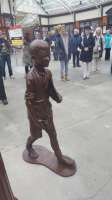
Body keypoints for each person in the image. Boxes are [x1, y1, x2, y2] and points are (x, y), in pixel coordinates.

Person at [25, 39, 74, 167]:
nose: (48, 59)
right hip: (35, 112)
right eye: (44, 57)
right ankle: (29, 146)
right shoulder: (30, 77)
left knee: (53, 134)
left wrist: (57, 97)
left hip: (46, 110)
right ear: (34, 58)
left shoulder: (48, 73)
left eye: (49, 55)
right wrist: (35, 119)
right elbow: (28, 101)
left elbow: (51, 89)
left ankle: (59, 157)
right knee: (36, 135)